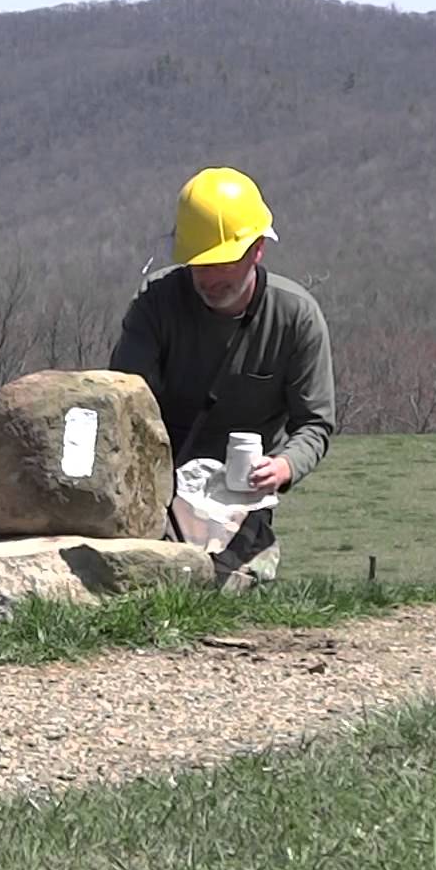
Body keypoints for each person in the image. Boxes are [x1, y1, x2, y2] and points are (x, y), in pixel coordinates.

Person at [108, 166, 335, 577]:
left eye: (223, 262)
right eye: (199, 264)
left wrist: (284, 467)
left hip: (242, 504)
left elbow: (315, 423)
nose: (209, 278)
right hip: (159, 495)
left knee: (233, 588)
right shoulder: (156, 305)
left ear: (257, 250)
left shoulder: (296, 318)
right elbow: (125, 402)